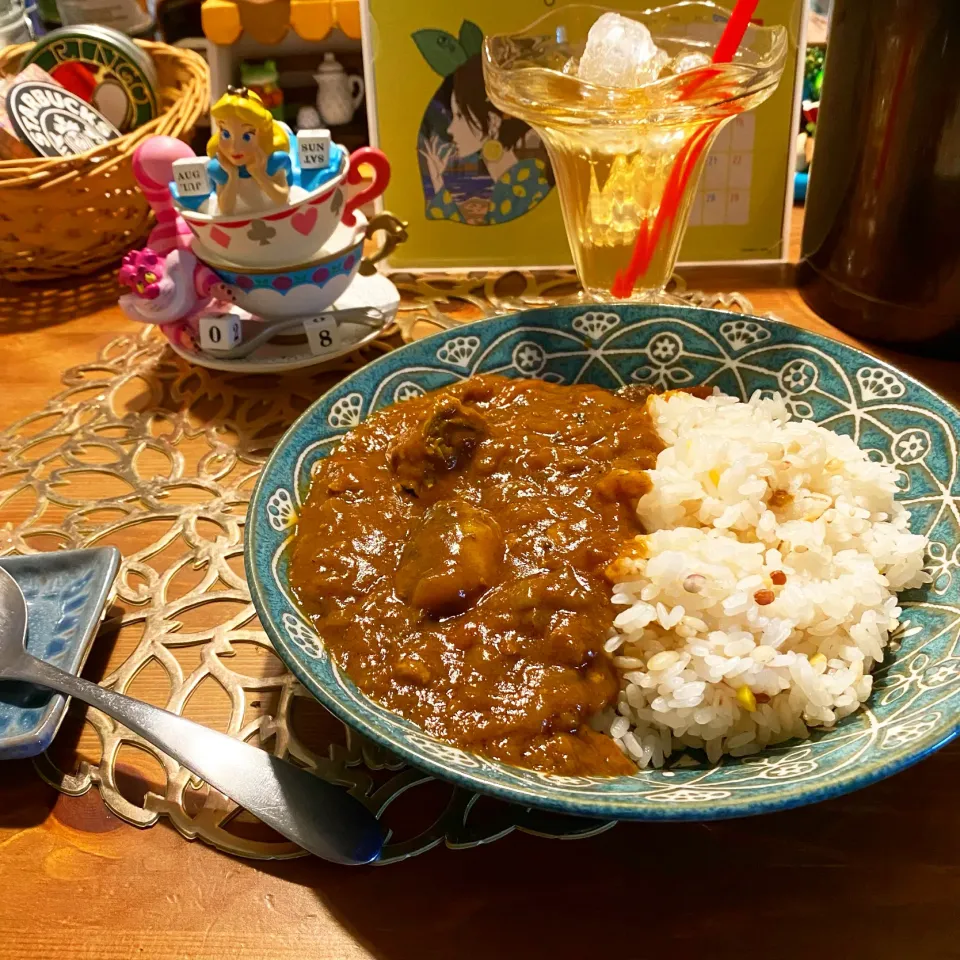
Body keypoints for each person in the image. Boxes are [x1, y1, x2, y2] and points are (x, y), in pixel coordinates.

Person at [418, 55, 553, 225]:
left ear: (493, 121)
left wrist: (437, 187)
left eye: (459, 116)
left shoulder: (520, 182)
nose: (450, 129)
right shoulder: (511, 177)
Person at [206, 86, 292, 215]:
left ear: (262, 135)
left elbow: (282, 199)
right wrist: (232, 176)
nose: (234, 148)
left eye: (247, 136)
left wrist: (259, 174)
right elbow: (226, 209)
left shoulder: (273, 161)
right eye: (226, 134)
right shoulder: (221, 167)